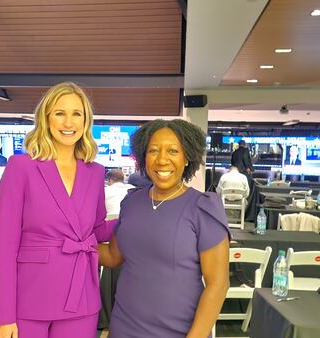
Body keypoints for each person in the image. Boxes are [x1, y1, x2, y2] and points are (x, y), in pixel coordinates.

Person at [0, 82, 115, 338]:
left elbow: (98, 229)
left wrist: (139, 214)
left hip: (80, 295)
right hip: (30, 297)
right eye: (60, 113)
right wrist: (4, 315)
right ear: (46, 118)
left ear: (86, 121)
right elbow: (5, 244)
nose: (68, 122)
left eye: (76, 114)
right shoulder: (21, 167)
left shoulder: (95, 172)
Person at [99, 119, 231, 338]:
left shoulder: (203, 208)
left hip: (179, 331)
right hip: (125, 327)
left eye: (173, 151)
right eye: (153, 150)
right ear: (143, 156)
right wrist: (69, 245)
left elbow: (218, 284)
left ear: (187, 156)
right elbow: (113, 256)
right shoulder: (131, 202)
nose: (162, 159)